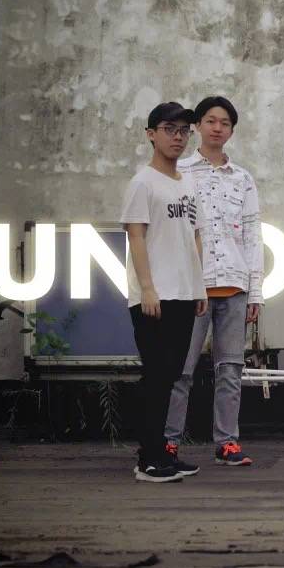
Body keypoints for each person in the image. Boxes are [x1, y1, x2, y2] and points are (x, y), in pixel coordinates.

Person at [163, 96, 263, 471]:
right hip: (192, 287)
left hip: (235, 285)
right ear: (198, 126)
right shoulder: (181, 172)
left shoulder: (243, 178)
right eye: (210, 120)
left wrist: (256, 291)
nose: (217, 127)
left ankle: (227, 442)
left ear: (232, 130)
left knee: (231, 369)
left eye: (224, 122)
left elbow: (252, 236)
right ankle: (169, 442)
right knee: (181, 368)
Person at [121, 102, 208, 483]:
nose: (178, 137)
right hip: (154, 297)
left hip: (184, 293)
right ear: (151, 134)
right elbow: (136, 236)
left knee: (171, 374)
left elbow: (195, 236)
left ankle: (162, 455)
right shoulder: (142, 183)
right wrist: (147, 288)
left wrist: (199, 286)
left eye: (184, 130)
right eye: (170, 129)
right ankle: (148, 460)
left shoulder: (186, 183)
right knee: (156, 376)